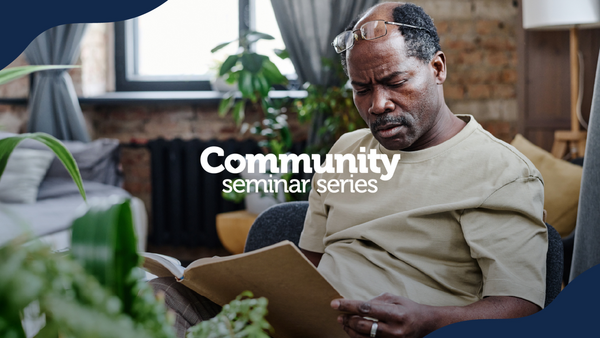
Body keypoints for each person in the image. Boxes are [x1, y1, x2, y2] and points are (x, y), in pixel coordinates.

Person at [151, 2, 548, 338]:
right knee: (154, 297)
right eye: (362, 89)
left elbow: (522, 305)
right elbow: (306, 264)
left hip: (398, 332)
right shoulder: (346, 150)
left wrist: (430, 319)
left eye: (395, 82)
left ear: (438, 68)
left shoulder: (503, 172)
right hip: (307, 323)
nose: (378, 105)